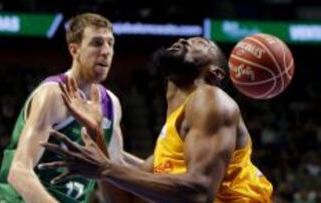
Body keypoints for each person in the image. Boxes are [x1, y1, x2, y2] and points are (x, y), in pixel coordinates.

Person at [40, 37, 274, 202]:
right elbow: (125, 199)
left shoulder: (210, 98)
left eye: (199, 43)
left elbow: (200, 192)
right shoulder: (167, 144)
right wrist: (96, 131)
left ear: (215, 74)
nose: (184, 41)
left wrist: (104, 168)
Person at [0, 13, 142, 203]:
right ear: (74, 50)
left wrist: (166, 169)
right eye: (97, 43)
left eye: (110, 43)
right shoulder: (53, 95)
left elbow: (114, 164)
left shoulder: (111, 104)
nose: (106, 51)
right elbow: (18, 172)